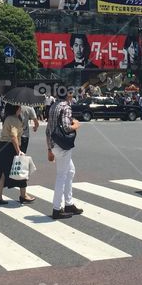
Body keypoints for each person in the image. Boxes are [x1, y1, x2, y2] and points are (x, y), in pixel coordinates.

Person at [46, 87, 83, 220]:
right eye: (71, 94)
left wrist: (49, 149)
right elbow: (67, 127)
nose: (72, 97)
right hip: (63, 146)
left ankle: (69, 203)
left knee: (70, 171)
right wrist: (76, 125)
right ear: (67, 95)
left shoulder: (53, 106)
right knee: (62, 175)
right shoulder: (66, 107)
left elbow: (48, 130)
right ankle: (57, 208)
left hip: (55, 145)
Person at [0, 103, 36, 204]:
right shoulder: (14, 119)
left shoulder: (8, 118)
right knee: (21, 169)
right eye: (19, 107)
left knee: (3, 171)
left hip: (3, 145)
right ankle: (23, 195)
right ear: (15, 109)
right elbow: (13, 136)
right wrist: (19, 151)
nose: (21, 108)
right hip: (10, 147)